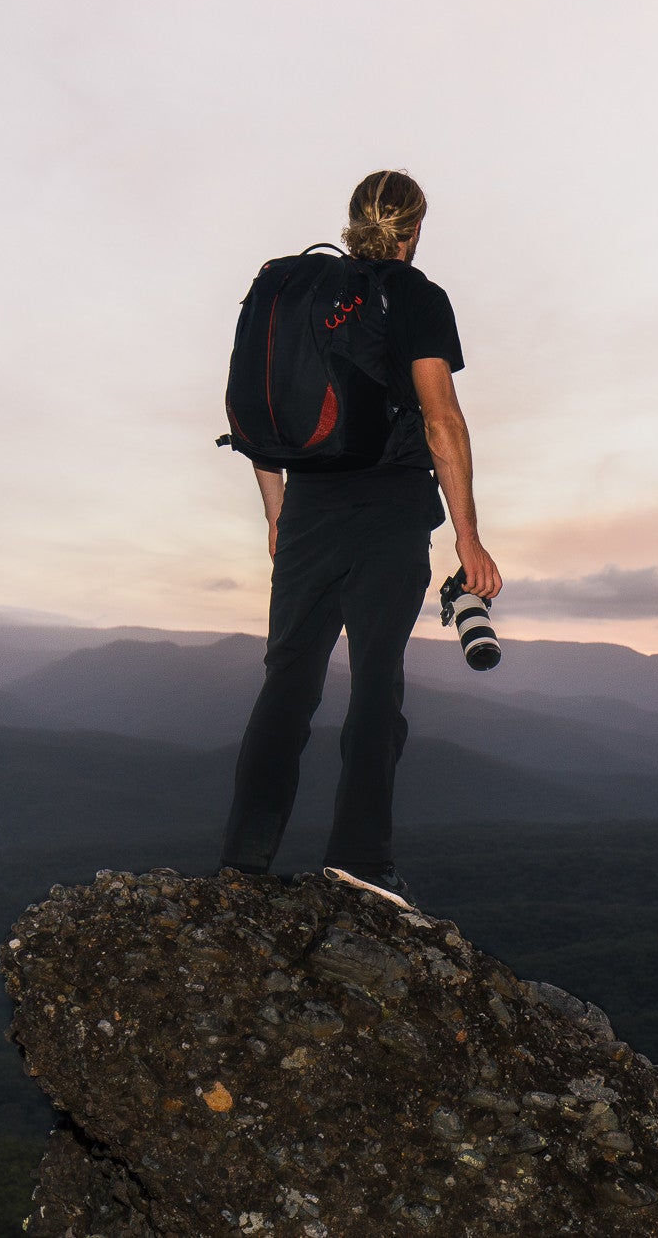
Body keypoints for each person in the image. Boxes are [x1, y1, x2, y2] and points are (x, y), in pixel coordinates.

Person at [219, 170, 502, 910]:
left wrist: (277, 514)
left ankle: (243, 859)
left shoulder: (300, 293)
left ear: (352, 222)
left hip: (309, 504)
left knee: (288, 681)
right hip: (391, 506)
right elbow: (442, 419)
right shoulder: (415, 296)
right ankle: (360, 858)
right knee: (377, 681)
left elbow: (263, 407)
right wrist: (468, 538)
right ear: (412, 230)